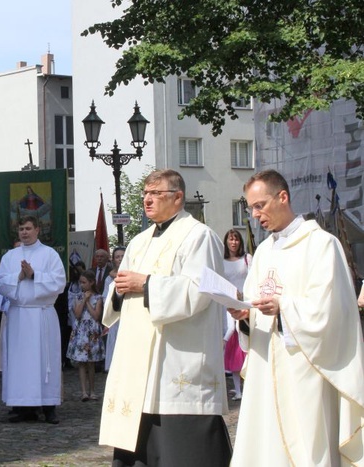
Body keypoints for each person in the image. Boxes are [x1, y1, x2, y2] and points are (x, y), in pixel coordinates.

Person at [229, 170, 364, 466]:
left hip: (304, 365)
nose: (255, 215)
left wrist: (284, 307)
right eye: (251, 208)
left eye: (260, 205)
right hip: (266, 364)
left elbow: (332, 310)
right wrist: (244, 315)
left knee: (304, 445)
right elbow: (254, 303)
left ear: (283, 197)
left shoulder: (321, 245)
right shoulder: (263, 251)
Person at [99, 169, 231, 466]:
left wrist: (145, 285)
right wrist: (119, 290)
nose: (147, 199)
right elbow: (121, 286)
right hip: (139, 365)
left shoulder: (199, 237)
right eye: (144, 193)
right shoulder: (139, 241)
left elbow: (199, 290)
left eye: (155, 193)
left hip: (176, 360)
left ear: (178, 197)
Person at [0, 215, 66, 424]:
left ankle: (48, 405)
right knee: (20, 362)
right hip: (18, 315)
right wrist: (18, 276)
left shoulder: (49, 254)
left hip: (42, 315)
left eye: (28, 228)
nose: (24, 232)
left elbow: (59, 282)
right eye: (21, 229)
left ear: (37, 230)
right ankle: (22, 406)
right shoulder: (10, 256)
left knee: (45, 360)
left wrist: (35, 275)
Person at [221, 229, 250, 401]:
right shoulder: (221, 261)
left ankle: (249, 385)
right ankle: (238, 389)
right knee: (233, 350)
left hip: (245, 303)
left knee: (245, 343)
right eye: (230, 240)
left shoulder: (247, 259)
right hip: (227, 305)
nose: (233, 243)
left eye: (236, 240)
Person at [67, 269, 104, 401]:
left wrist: (88, 301)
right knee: (81, 363)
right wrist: (83, 300)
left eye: (84, 282)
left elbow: (96, 315)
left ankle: (92, 390)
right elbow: (77, 314)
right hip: (81, 331)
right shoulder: (77, 297)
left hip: (92, 331)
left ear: (91, 282)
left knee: (91, 363)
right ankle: (83, 391)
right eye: (80, 282)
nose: (82, 285)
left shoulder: (98, 298)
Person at [103, 246, 125, 372]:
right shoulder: (108, 279)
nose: (120, 259)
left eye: (123, 256)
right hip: (116, 317)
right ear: (113, 260)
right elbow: (106, 299)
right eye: (117, 257)